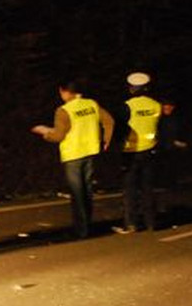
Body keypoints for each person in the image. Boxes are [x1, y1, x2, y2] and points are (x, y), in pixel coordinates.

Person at [31, 79, 114, 239]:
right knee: (87, 191)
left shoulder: (63, 110)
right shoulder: (91, 104)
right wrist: (106, 140)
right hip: (90, 152)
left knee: (77, 194)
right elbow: (109, 121)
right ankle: (87, 226)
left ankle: (81, 230)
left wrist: (45, 132)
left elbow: (59, 135)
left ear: (64, 91)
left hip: (73, 155)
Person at [113, 72, 162, 233]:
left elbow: (120, 128)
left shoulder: (127, 106)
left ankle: (132, 222)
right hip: (150, 149)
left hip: (131, 152)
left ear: (131, 88)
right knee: (148, 187)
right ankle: (151, 222)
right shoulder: (156, 105)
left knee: (130, 188)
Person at [156, 99, 188, 189]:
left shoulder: (177, 119)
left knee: (172, 165)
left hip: (173, 147)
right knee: (162, 165)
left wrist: (182, 142)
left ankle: (171, 183)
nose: (167, 108)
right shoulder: (159, 119)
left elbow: (182, 132)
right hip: (162, 146)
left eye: (170, 106)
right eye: (165, 106)